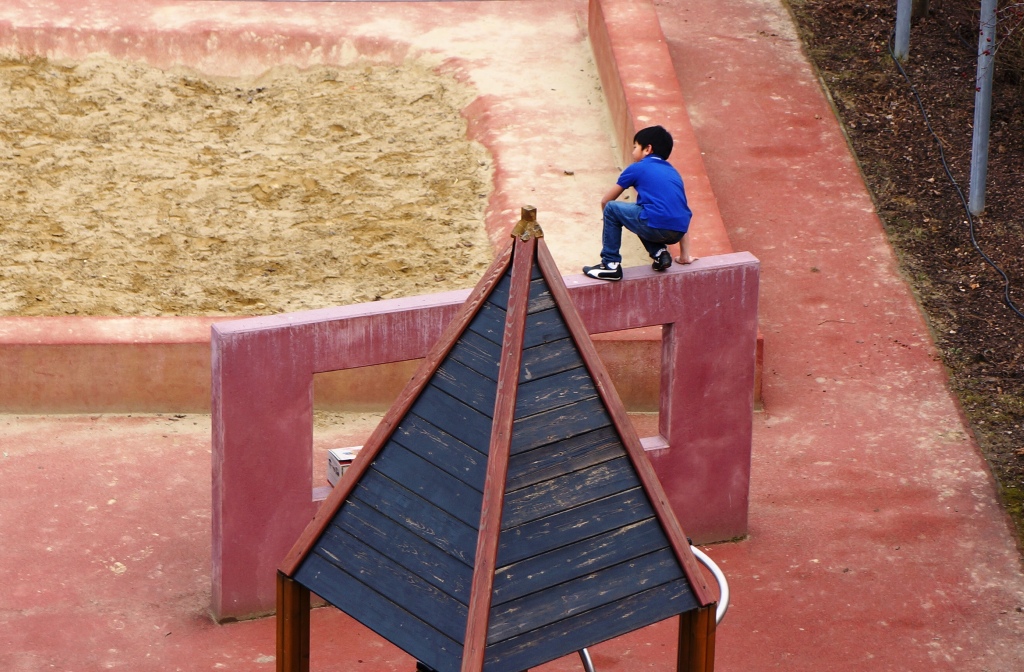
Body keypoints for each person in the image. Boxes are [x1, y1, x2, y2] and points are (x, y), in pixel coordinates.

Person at [583, 125, 696, 281]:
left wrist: (610, 225)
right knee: (641, 213)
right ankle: (660, 253)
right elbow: (681, 210)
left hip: (655, 224)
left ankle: (610, 264)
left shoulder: (637, 168)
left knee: (613, 209)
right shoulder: (673, 172)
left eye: (635, 147)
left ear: (647, 149)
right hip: (678, 230)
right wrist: (684, 256)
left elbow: (606, 201)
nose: (632, 151)